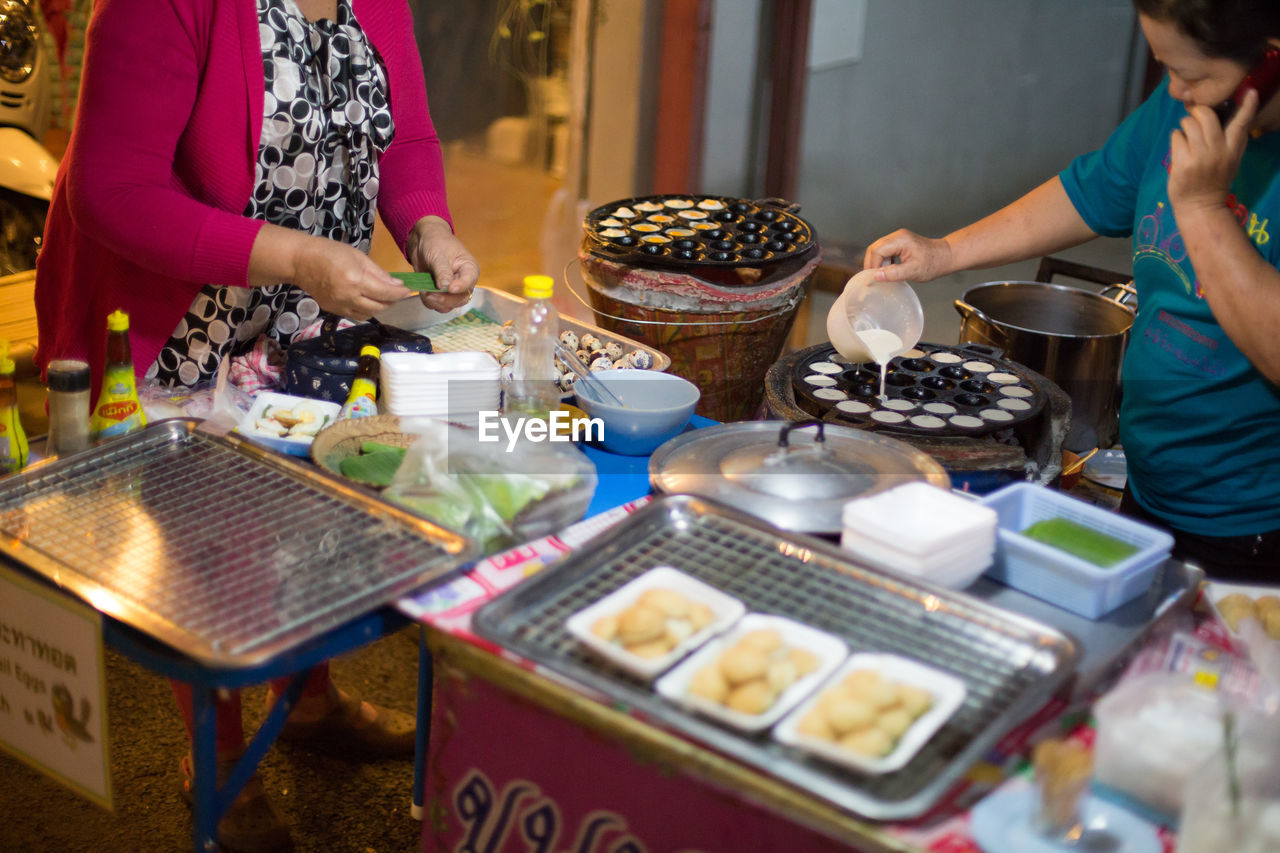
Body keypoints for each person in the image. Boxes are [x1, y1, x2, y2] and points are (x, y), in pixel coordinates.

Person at [34, 0, 479, 849]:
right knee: (201, 543)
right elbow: (110, 192)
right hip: (180, 314)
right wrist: (296, 256)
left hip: (306, 314)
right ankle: (222, 754)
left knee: (308, 501)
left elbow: (402, 137)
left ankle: (307, 699)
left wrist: (428, 226)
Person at [865, 0, 1280, 581]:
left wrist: (1204, 207)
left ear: (1271, 58)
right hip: (1154, 484)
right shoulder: (1181, 105)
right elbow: (1091, 192)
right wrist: (947, 252)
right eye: (1166, 67)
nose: (1175, 91)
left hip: (1252, 523)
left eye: (1196, 75)